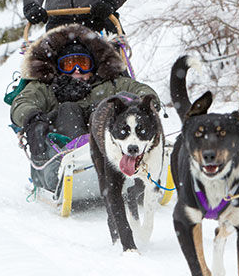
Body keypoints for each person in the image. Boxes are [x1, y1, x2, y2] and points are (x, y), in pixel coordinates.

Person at [10, 24, 158, 191]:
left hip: (109, 146)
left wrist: (147, 104)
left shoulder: (109, 84)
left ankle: (116, 156)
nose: (77, 70)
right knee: (68, 109)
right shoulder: (45, 87)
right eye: (69, 65)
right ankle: (78, 154)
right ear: (59, 69)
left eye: (82, 63)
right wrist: (31, 117)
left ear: (92, 66)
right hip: (63, 150)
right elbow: (22, 102)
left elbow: (138, 89)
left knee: (106, 107)